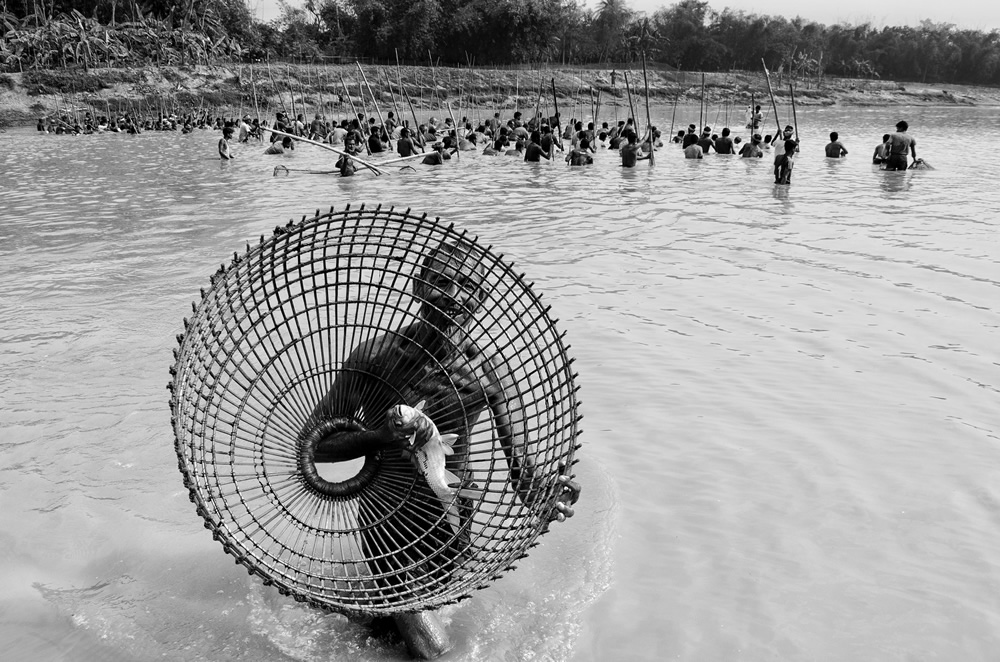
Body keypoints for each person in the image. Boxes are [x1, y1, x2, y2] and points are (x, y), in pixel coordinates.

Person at [299, 239, 580, 660]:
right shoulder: (374, 357)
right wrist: (378, 437)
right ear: (417, 287)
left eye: (467, 285)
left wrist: (545, 496)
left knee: (407, 623)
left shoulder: (489, 372)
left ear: (482, 298)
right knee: (435, 650)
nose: (453, 296)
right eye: (441, 282)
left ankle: (369, 621)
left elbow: (521, 473)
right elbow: (314, 448)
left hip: (451, 517)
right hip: (385, 517)